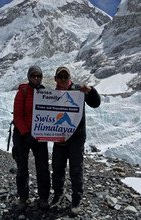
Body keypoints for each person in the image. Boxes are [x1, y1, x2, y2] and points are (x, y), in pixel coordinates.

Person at [51, 66, 101, 215]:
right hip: (59, 137)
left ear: (69, 78)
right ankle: (58, 195)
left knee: (76, 169)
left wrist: (91, 90)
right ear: (55, 79)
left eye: (65, 77)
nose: (63, 79)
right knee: (57, 168)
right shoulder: (51, 94)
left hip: (76, 138)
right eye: (60, 76)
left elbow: (96, 103)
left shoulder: (79, 91)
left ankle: (76, 200)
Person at [12, 65, 50, 211]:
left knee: (43, 168)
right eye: (33, 76)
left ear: (41, 77)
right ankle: (23, 197)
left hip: (40, 135)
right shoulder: (23, 92)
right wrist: (26, 133)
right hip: (23, 135)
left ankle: (44, 197)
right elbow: (18, 116)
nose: (36, 78)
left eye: (38, 76)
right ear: (28, 77)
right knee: (22, 167)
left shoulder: (45, 93)